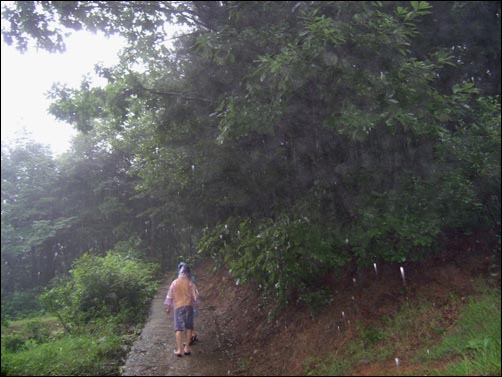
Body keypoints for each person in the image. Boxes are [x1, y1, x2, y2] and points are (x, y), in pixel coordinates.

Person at [164, 264, 199, 357]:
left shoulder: (174, 283)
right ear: (188, 272)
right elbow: (195, 296)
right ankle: (187, 348)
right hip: (188, 306)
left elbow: (170, 296)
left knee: (178, 328)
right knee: (188, 327)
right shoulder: (190, 283)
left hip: (178, 307)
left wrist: (168, 308)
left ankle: (179, 349)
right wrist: (195, 305)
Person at [177, 262, 199, 345]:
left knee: (187, 322)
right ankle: (193, 335)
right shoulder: (190, 278)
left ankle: (190, 339)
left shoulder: (188, 279)